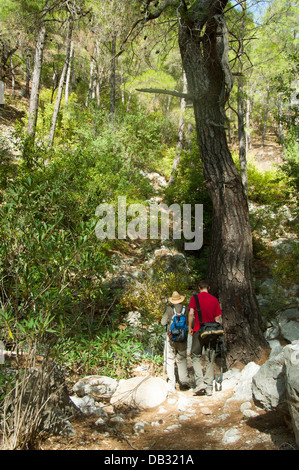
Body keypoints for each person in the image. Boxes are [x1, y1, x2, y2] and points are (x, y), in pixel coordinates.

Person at [188, 280, 222, 396]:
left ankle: (200, 382)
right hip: (211, 332)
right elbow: (217, 319)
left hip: (198, 330)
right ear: (209, 287)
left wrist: (189, 327)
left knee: (195, 356)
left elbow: (191, 313)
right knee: (210, 357)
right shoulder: (214, 300)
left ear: (199, 288)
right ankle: (209, 387)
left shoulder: (195, 298)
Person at [161, 291, 191, 392]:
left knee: (170, 359)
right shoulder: (185, 309)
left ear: (173, 300)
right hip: (183, 338)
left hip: (171, 338)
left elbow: (163, 322)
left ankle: (172, 383)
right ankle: (184, 381)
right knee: (182, 359)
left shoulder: (169, 309)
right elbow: (191, 321)